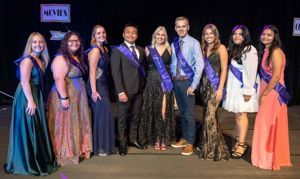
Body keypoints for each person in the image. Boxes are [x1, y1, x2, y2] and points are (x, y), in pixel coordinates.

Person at [4, 32, 58, 175]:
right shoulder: (27, 60)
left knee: (35, 126)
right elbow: (24, 82)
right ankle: (26, 162)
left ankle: (35, 158)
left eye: (40, 42)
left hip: (35, 95)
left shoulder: (41, 60)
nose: (38, 44)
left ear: (44, 44)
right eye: (34, 42)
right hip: (27, 96)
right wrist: (31, 102)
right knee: (29, 126)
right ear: (30, 44)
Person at [47, 31, 93, 165]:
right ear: (66, 42)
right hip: (66, 94)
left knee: (76, 121)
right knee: (66, 123)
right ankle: (66, 152)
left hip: (78, 95)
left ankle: (79, 149)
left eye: (77, 41)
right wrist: (64, 98)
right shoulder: (61, 58)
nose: (75, 43)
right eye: (71, 41)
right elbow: (59, 79)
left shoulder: (76, 56)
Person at [251, 25, 292, 170]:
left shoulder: (276, 52)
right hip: (266, 90)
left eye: (269, 35)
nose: (265, 37)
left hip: (273, 93)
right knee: (264, 124)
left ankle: (268, 158)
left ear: (275, 37)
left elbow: (275, 77)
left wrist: (264, 94)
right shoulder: (266, 51)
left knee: (266, 124)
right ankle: (263, 156)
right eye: (263, 34)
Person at [222, 25, 260, 159]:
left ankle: (242, 144)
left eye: (240, 34)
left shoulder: (250, 50)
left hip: (243, 87)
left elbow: (251, 73)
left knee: (241, 115)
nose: (237, 36)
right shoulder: (233, 49)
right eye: (235, 34)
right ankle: (239, 141)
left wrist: (248, 91)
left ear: (245, 36)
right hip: (235, 86)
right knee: (238, 115)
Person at [110, 23, 147, 156]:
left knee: (136, 117)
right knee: (123, 119)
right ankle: (122, 143)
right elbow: (115, 72)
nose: (131, 35)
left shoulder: (141, 50)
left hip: (138, 91)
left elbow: (142, 71)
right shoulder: (117, 50)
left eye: (134, 33)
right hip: (124, 91)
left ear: (137, 35)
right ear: (123, 34)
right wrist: (120, 91)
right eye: (128, 32)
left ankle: (133, 139)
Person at [170, 16, 204, 156]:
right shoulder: (174, 43)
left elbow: (200, 64)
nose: (181, 29)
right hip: (176, 81)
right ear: (175, 28)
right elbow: (173, 63)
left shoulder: (194, 43)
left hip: (187, 82)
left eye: (184, 26)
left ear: (188, 27)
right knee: (182, 113)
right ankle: (184, 138)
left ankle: (190, 143)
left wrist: (194, 84)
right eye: (178, 26)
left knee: (189, 114)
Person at [138, 26, 175, 151]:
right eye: (158, 34)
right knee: (154, 110)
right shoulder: (148, 49)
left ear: (166, 37)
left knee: (163, 111)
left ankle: (162, 138)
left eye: (163, 35)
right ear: (154, 36)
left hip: (165, 82)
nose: (160, 37)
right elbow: (142, 67)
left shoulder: (170, 49)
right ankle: (155, 137)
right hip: (151, 82)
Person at [198, 24, 230, 160]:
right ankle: (219, 148)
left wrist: (220, 89)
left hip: (215, 87)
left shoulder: (221, 48)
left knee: (209, 118)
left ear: (216, 34)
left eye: (211, 33)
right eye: (206, 34)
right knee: (211, 117)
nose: (209, 36)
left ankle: (210, 150)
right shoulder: (203, 48)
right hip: (204, 87)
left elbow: (224, 70)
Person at [86, 25, 115, 156]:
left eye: (103, 32)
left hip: (103, 85)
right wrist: (93, 91)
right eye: (98, 33)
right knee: (102, 115)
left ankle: (104, 145)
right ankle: (100, 147)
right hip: (96, 85)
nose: (101, 35)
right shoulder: (95, 50)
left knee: (104, 115)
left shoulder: (105, 49)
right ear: (94, 36)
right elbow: (92, 71)